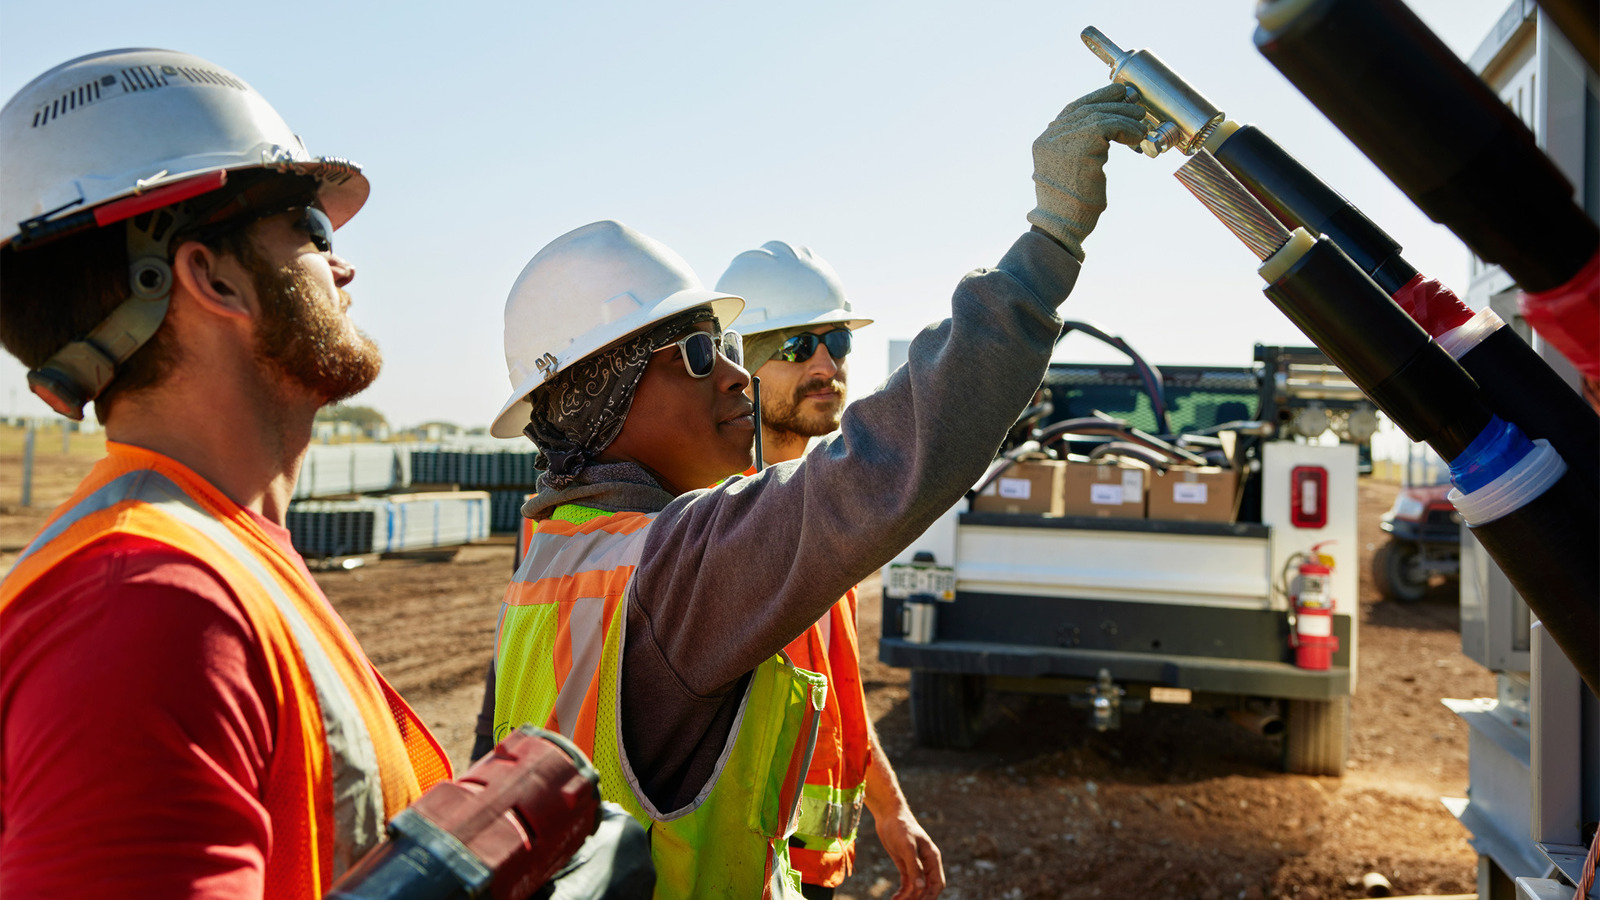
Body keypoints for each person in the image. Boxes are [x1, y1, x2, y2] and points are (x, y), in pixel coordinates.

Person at [487, 83, 1146, 899]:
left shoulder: (551, 554)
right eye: (701, 353)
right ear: (608, 395)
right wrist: (1050, 241)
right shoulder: (677, 566)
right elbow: (887, 464)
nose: (734, 376)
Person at [0, 49, 450, 897]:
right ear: (211, 277)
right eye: (311, 229)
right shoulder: (148, 605)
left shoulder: (215, 558)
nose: (343, 267)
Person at [715, 241, 941, 899]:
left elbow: (835, 680)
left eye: (836, 342)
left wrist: (890, 806)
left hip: (814, 867)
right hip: (747, 867)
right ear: (734, 362)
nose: (825, 364)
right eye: (795, 345)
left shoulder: (823, 502)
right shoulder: (716, 518)